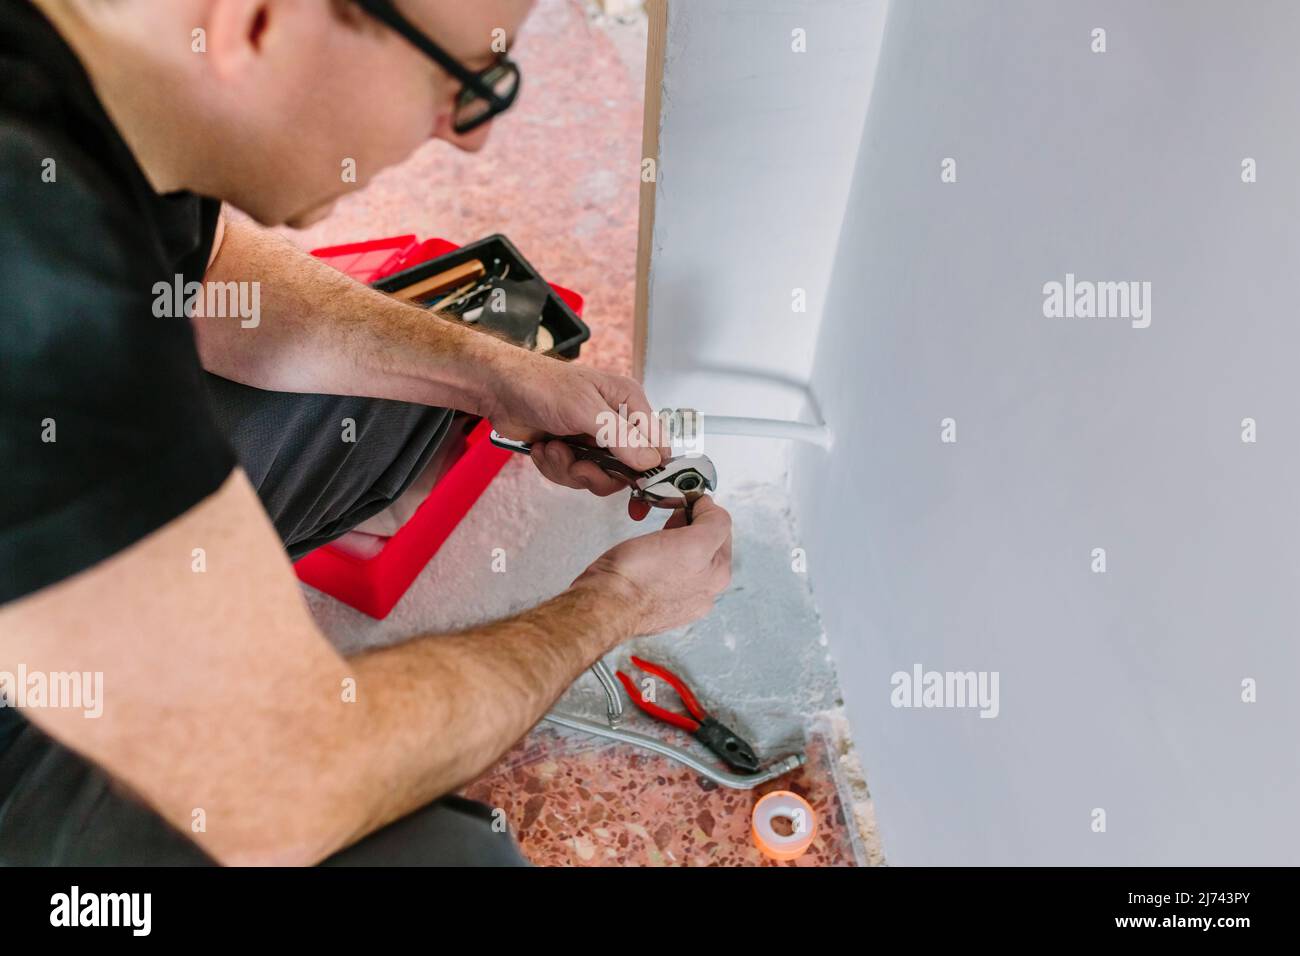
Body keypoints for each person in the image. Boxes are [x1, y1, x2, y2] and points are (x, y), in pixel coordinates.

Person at [0, 0, 732, 865]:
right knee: (448, 859)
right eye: (464, 83)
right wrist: (613, 605)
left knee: (419, 382)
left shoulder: (108, 78)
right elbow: (287, 785)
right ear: (257, 23)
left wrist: (502, 375)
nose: (471, 141)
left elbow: (214, 277)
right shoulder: (38, 276)